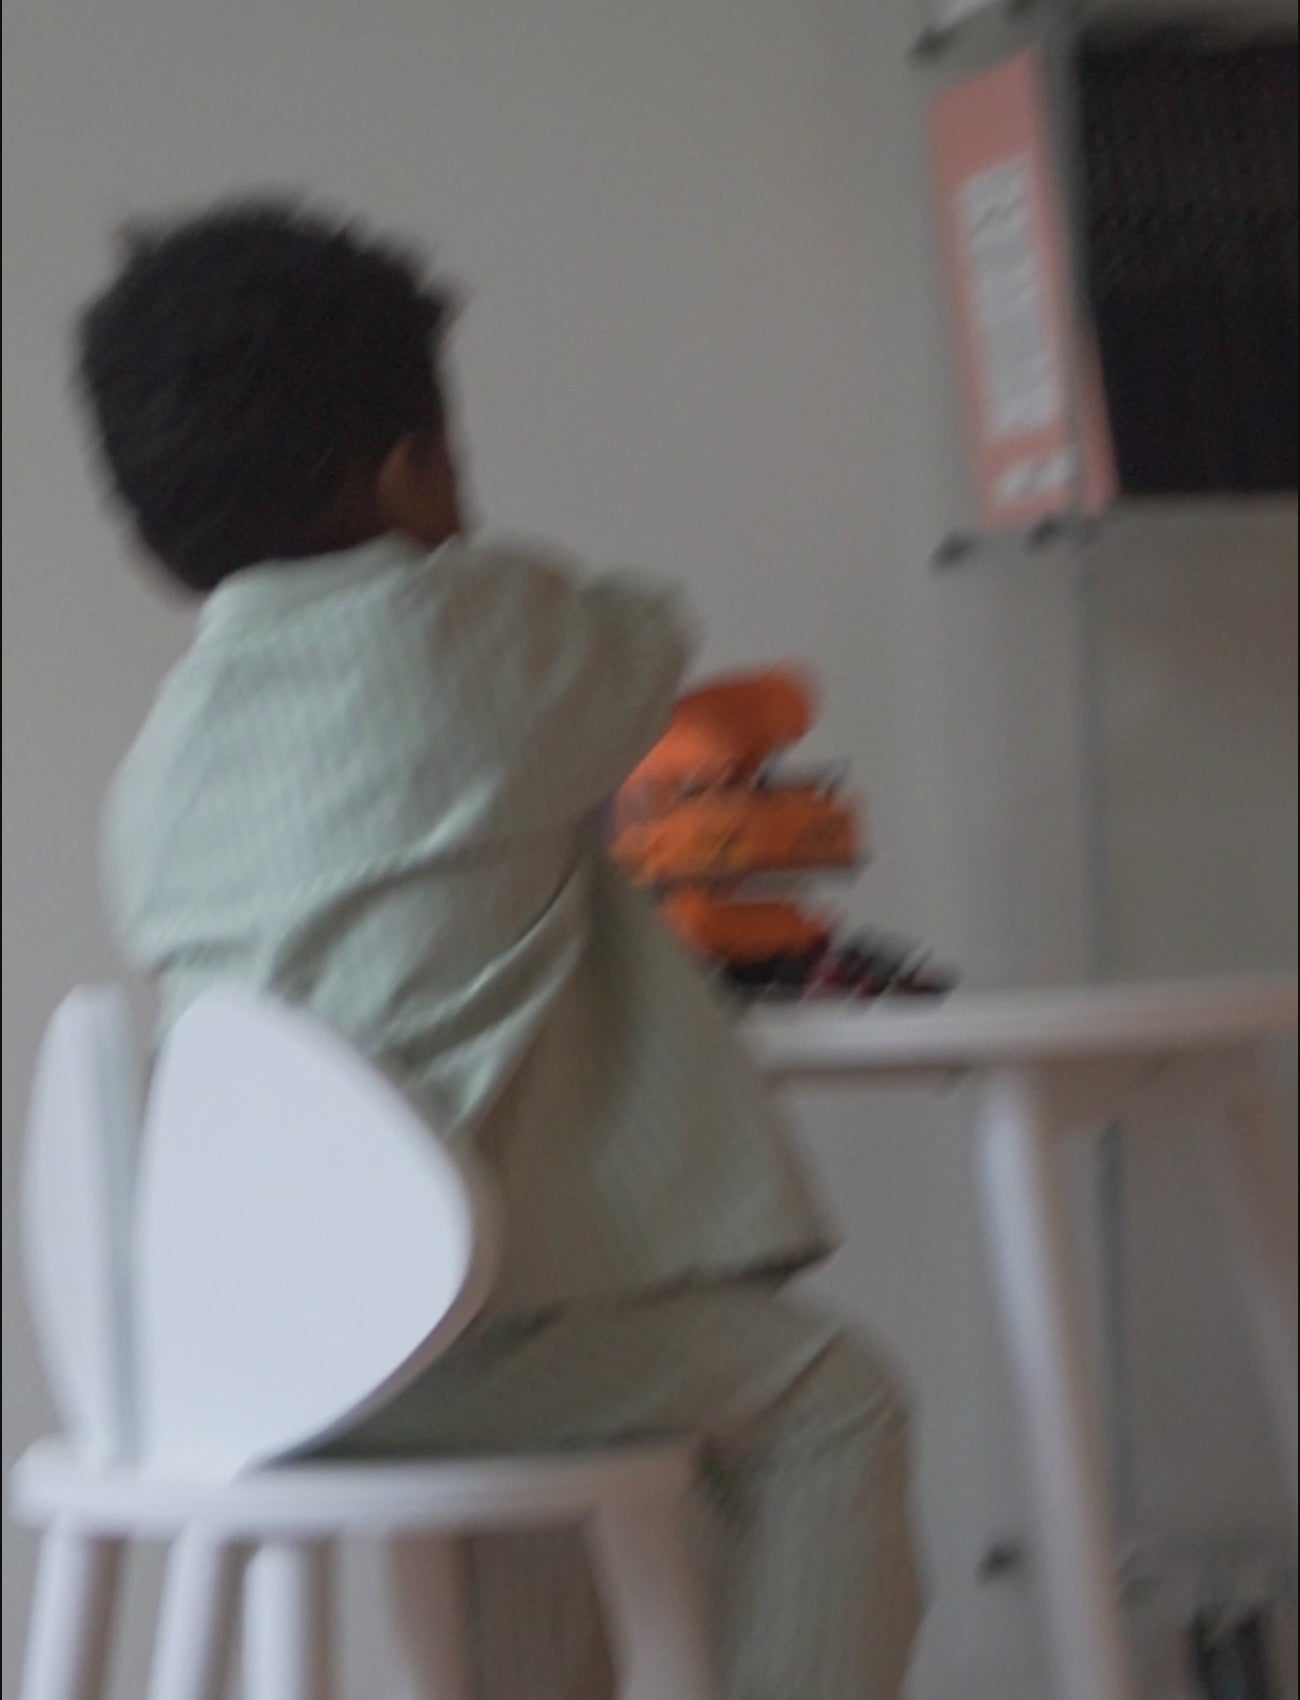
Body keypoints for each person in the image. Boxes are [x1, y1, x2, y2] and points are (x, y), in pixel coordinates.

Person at [78, 198, 923, 1697]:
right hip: (452, 1340)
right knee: (829, 1405)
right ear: (413, 467)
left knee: (557, 1453)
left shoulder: (162, 766)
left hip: (250, 1347)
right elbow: (647, 641)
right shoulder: (464, 637)